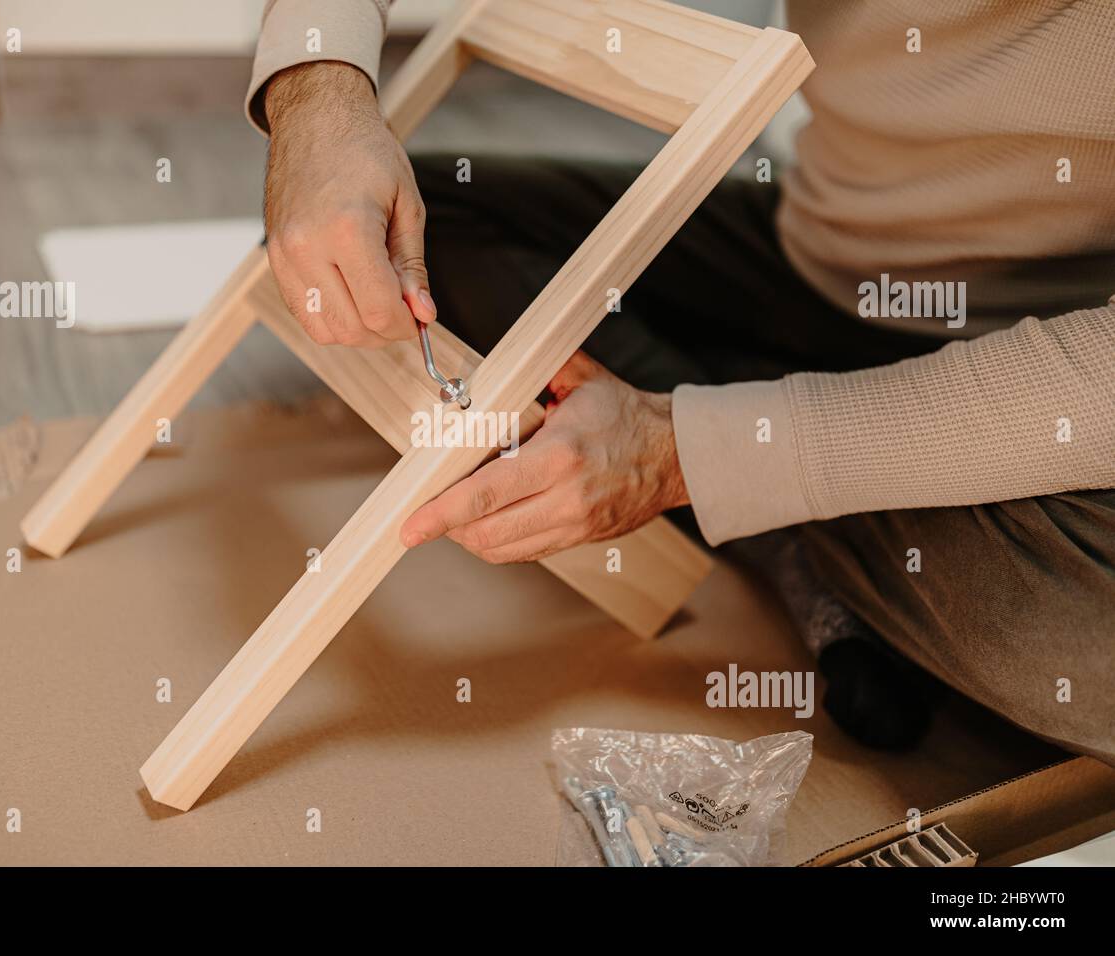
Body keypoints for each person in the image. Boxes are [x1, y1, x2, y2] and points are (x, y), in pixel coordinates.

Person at [247, 1, 1115, 759]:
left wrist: (683, 451)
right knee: (434, 223)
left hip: (1058, 372)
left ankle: (746, 444)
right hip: (815, 254)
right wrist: (316, 91)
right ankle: (784, 510)